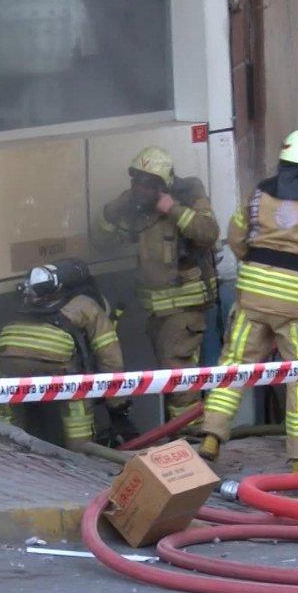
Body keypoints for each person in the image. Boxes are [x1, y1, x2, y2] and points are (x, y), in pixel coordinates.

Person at [199, 127, 298, 472]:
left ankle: (211, 436)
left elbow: (237, 238)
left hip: (253, 296)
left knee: (234, 363)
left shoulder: (259, 195)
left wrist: (260, 263)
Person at [95, 146, 219, 426]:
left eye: (149, 183)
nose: (140, 188)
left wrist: (173, 210)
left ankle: (189, 440)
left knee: (180, 380)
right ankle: (183, 437)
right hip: (152, 312)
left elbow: (208, 233)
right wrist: (113, 212)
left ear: (164, 185)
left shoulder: (188, 196)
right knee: (169, 378)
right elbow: (100, 242)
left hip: (183, 310)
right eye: (136, 181)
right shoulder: (134, 209)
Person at [0, 259, 128, 448]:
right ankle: (82, 456)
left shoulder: (29, 296)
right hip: (56, 362)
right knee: (76, 408)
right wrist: (117, 404)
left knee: (9, 412)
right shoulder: (87, 305)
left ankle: (3, 456)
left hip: (7, 356)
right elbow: (109, 357)